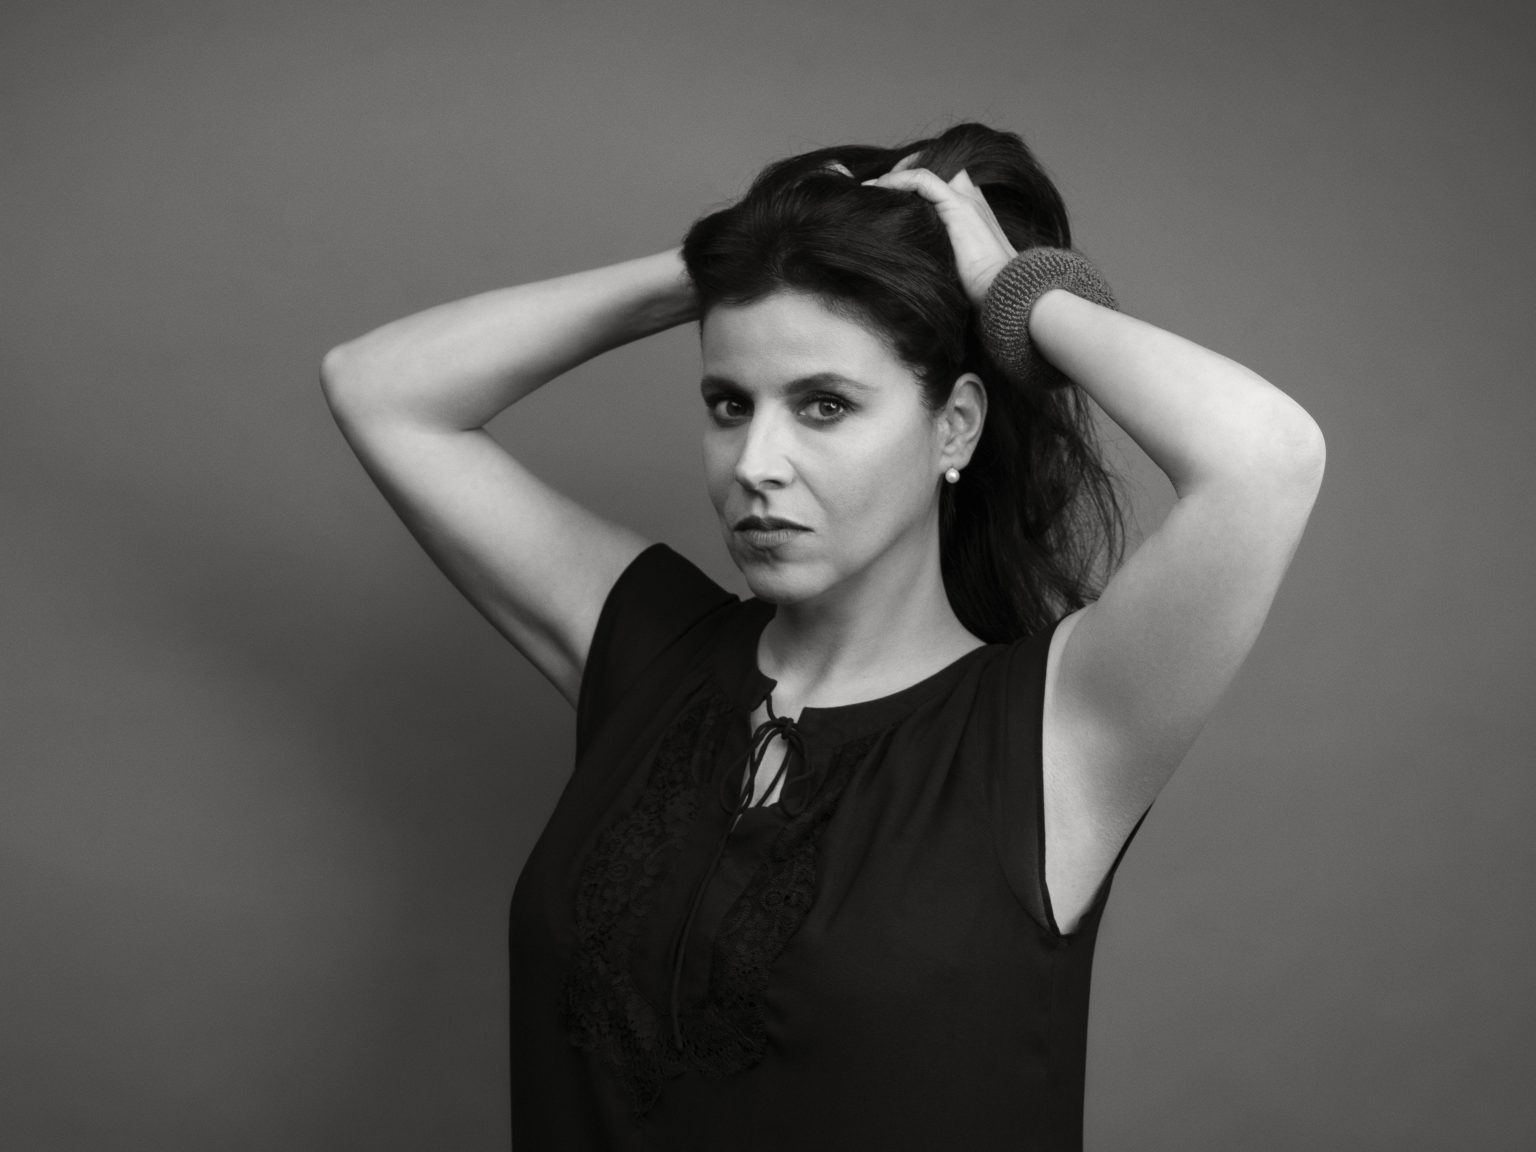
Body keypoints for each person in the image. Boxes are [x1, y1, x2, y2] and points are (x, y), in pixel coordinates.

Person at [319, 122, 1325, 1150]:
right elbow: (379, 387)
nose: (756, 462)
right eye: (729, 404)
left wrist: (1014, 292)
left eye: (824, 405)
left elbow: (1266, 457)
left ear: (955, 425)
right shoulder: (651, 654)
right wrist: (726, 265)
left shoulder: (1053, 734)